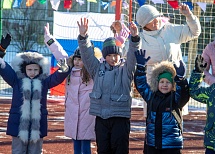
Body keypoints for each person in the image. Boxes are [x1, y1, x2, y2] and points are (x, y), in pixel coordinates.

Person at [77, 17, 140, 154]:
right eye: (109, 55)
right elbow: (87, 55)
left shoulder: (126, 70)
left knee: (120, 150)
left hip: (120, 118)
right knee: (103, 150)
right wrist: (83, 37)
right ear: (104, 56)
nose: (113, 58)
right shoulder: (97, 69)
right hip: (102, 119)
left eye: (116, 54)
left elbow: (133, 56)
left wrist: (134, 39)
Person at [44, 23, 102, 154]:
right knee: (75, 140)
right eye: (76, 59)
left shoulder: (94, 72)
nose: (77, 62)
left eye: (81, 60)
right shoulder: (69, 69)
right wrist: (49, 38)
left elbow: (105, 60)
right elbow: (58, 52)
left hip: (87, 113)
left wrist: (119, 43)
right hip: (72, 112)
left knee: (85, 141)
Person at [134, 3, 201, 117]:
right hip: (154, 82)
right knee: (154, 115)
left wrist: (189, 16)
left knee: (175, 113)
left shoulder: (170, 29)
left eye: (156, 17)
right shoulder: (141, 38)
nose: (156, 21)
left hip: (174, 78)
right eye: (151, 20)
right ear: (144, 25)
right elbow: (127, 51)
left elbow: (194, 32)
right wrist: (129, 37)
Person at [0, 48, 70, 153]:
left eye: (36, 70)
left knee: (35, 151)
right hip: (18, 124)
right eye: (30, 69)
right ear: (24, 69)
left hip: (37, 126)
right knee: (18, 150)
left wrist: (63, 71)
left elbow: (56, 78)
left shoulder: (44, 82)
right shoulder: (16, 80)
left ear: (40, 69)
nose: (33, 72)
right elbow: (5, 69)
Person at [134, 49, 190, 154]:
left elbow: (183, 95)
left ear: (173, 84)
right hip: (152, 143)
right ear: (157, 83)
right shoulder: (151, 96)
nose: (164, 85)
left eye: (168, 82)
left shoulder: (175, 99)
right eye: (162, 82)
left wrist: (181, 80)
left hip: (171, 145)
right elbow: (141, 86)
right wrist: (140, 68)